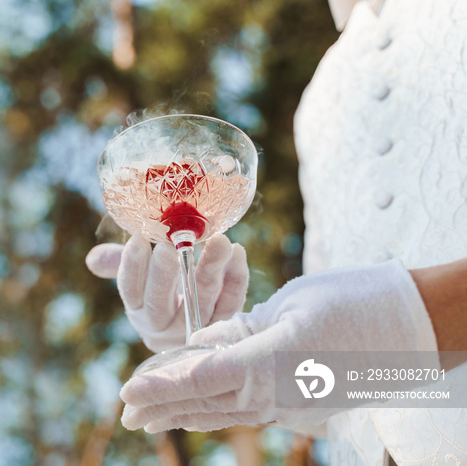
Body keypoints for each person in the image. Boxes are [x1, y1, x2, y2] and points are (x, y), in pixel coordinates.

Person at [86, 0, 467, 464]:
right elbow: (340, 394)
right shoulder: (319, 102)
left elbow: (384, 327)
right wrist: (253, 361)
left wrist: (416, 321)